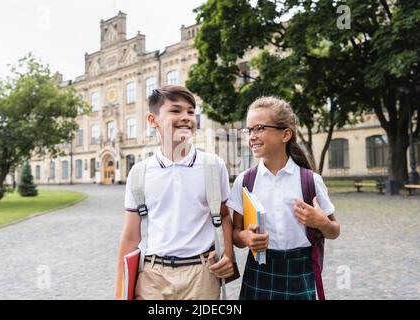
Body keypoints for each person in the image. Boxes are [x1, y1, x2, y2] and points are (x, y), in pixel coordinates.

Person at [115, 85, 235, 300]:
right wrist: (120, 291)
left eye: (191, 111)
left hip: (202, 275)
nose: (186, 117)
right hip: (153, 275)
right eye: (175, 110)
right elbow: (131, 236)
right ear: (153, 121)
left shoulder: (213, 166)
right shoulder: (139, 173)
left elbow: (224, 215)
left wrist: (228, 255)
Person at [227, 96, 340, 300]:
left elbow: (334, 231)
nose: (251, 136)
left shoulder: (311, 181)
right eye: (249, 129)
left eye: (259, 128)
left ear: (286, 134)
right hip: (259, 272)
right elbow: (236, 233)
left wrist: (321, 222)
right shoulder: (244, 181)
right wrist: (246, 237)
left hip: (299, 273)